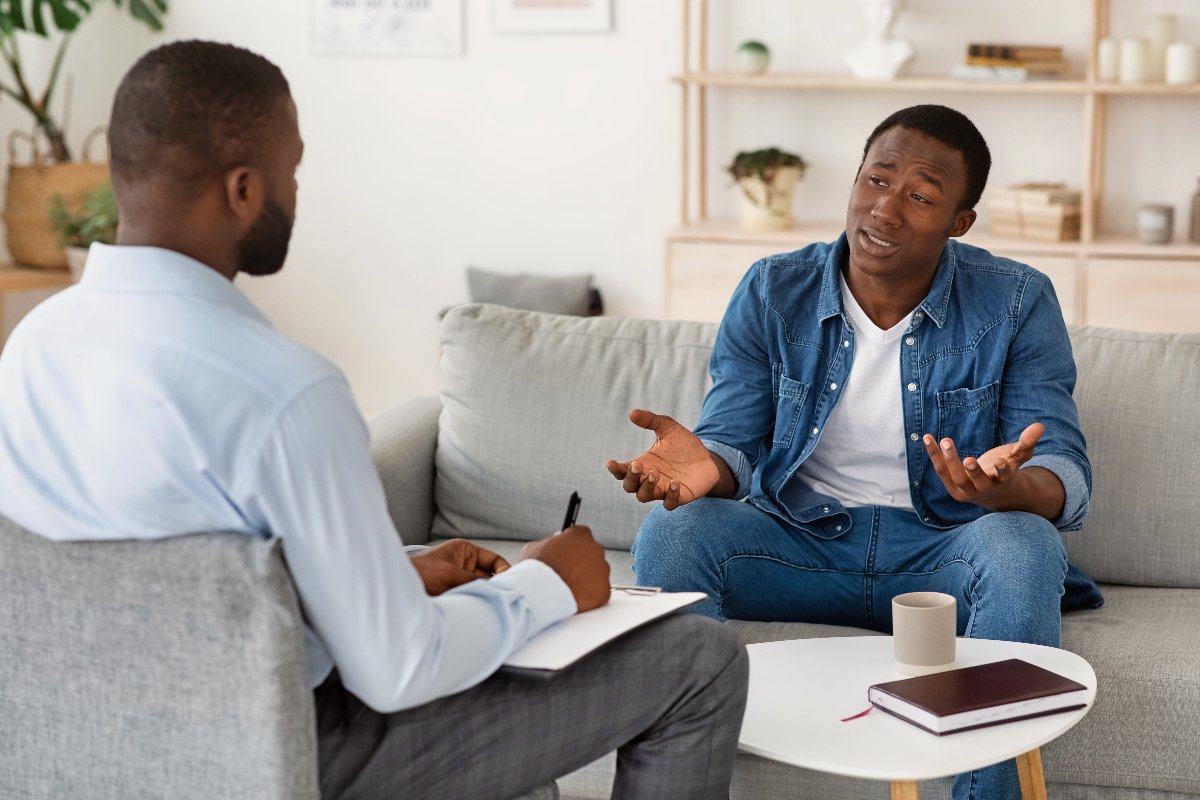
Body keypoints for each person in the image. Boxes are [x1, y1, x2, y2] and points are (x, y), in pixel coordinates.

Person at [0, 41, 748, 800]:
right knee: (699, 658)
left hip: (106, 757)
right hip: (286, 757)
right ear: (242, 189)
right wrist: (545, 583)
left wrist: (387, 579)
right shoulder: (284, 391)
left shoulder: (31, 348)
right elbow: (400, 671)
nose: (296, 190)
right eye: (292, 170)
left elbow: (155, 579)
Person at [606, 104, 1100, 800]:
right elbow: (733, 441)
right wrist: (710, 468)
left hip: (944, 551)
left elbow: (1063, 469)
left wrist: (1007, 490)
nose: (885, 210)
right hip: (799, 543)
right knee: (673, 531)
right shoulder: (774, 289)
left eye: (922, 196)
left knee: (1024, 547)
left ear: (959, 222)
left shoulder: (1017, 300)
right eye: (876, 180)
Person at [843, 0, 915, 80]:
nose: (888, 15)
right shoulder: (853, 56)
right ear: (866, 8)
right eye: (881, 6)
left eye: (894, 8)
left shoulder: (905, 51)